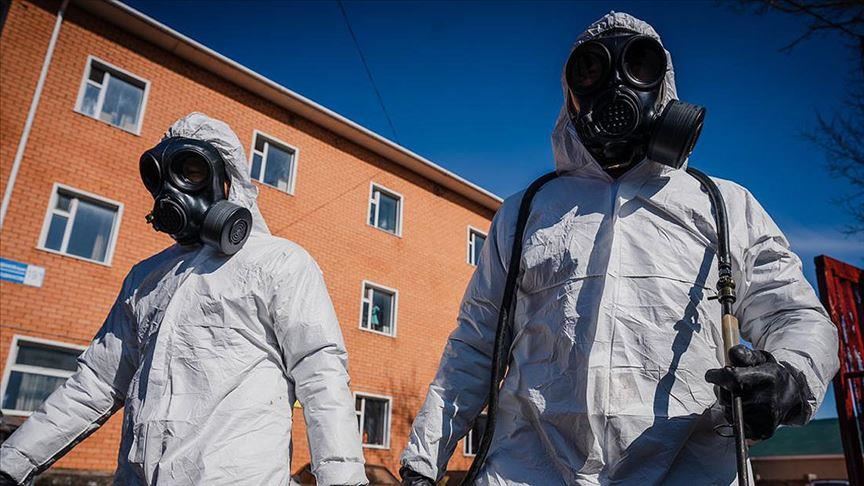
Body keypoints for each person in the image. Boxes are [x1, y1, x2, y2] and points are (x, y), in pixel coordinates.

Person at [399, 12, 839, 485]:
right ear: (571, 96)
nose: (614, 87)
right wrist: (422, 463)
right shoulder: (527, 213)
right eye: (591, 71)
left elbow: (793, 314)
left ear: (663, 88)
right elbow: (475, 344)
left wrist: (790, 376)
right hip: (530, 470)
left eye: (637, 67)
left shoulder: (724, 207)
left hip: (691, 470)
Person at [0, 113, 368, 486]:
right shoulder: (145, 278)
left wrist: (343, 480)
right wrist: (9, 464)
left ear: (227, 181)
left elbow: (321, 375)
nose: (172, 192)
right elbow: (95, 383)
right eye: (160, 179)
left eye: (191, 172)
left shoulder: (279, 262)